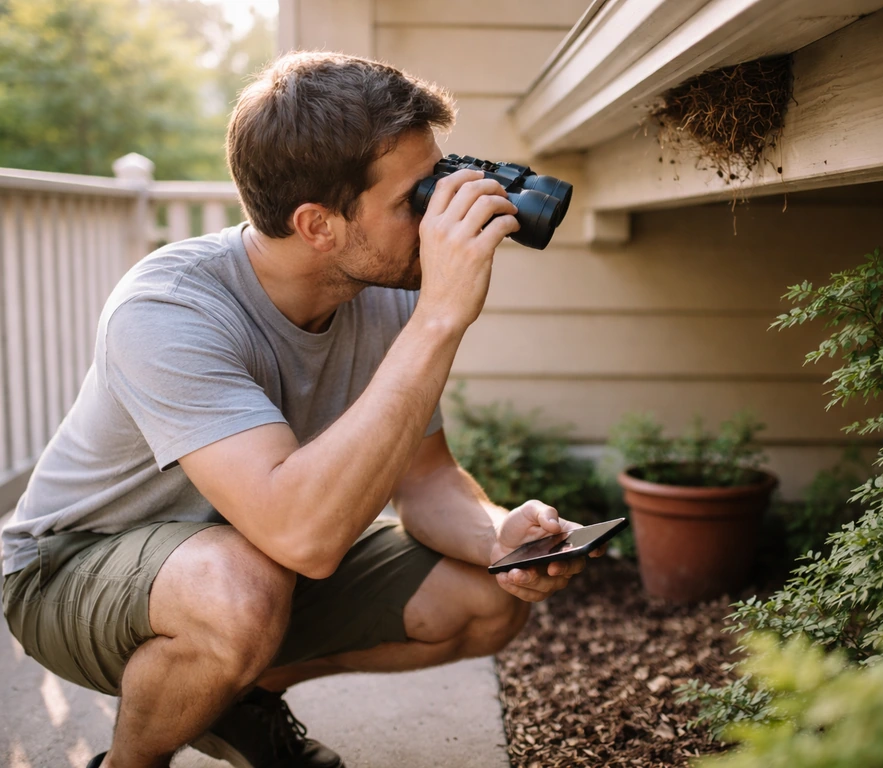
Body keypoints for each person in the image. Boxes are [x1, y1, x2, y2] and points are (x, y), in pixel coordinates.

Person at [1, 51, 598, 768]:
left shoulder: (388, 291)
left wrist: (500, 534)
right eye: (418, 196)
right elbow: (304, 536)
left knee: (486, 596)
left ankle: (228, 696)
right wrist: (441, 320)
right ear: (318, 225)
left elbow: (429, 481)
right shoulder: (168, 308)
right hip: (70, 568)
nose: (443, 210)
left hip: (251, 557)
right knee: (236, 591)